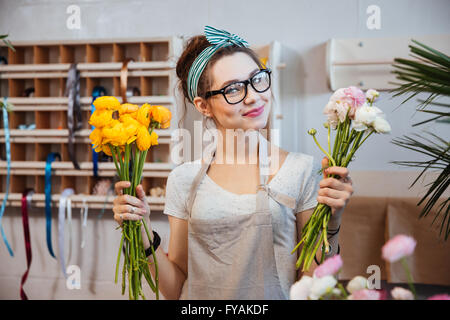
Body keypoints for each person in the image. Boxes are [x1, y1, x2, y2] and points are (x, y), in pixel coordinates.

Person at [112, 26, 353, 300]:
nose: (253, 96)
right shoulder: (183, 180)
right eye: (233, 89)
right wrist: (140, 228)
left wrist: (333, 221)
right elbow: (174, 287)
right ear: (203, 106)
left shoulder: (303, 171)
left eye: (257, 79)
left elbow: (312, 287)